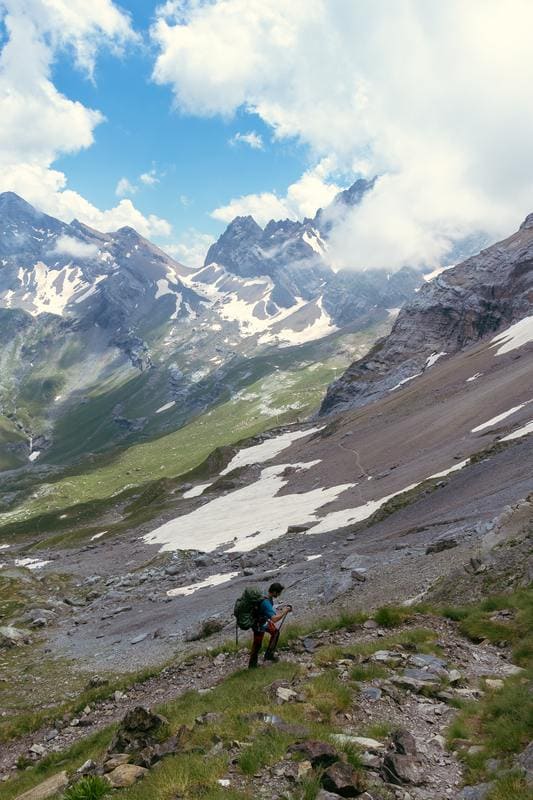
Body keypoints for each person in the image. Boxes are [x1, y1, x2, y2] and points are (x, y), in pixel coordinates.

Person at [248, 582, 292, 669]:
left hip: (263, 621)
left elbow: (267, 612)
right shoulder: (266, 602)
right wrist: (285, 611)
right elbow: (274, 619)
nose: (279, 595)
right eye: (279, 593)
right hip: (258, 625)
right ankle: (252, 666)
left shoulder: (267, 596)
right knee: (257, 644)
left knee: (275, 632)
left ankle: (269, 655)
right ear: (275, 592)